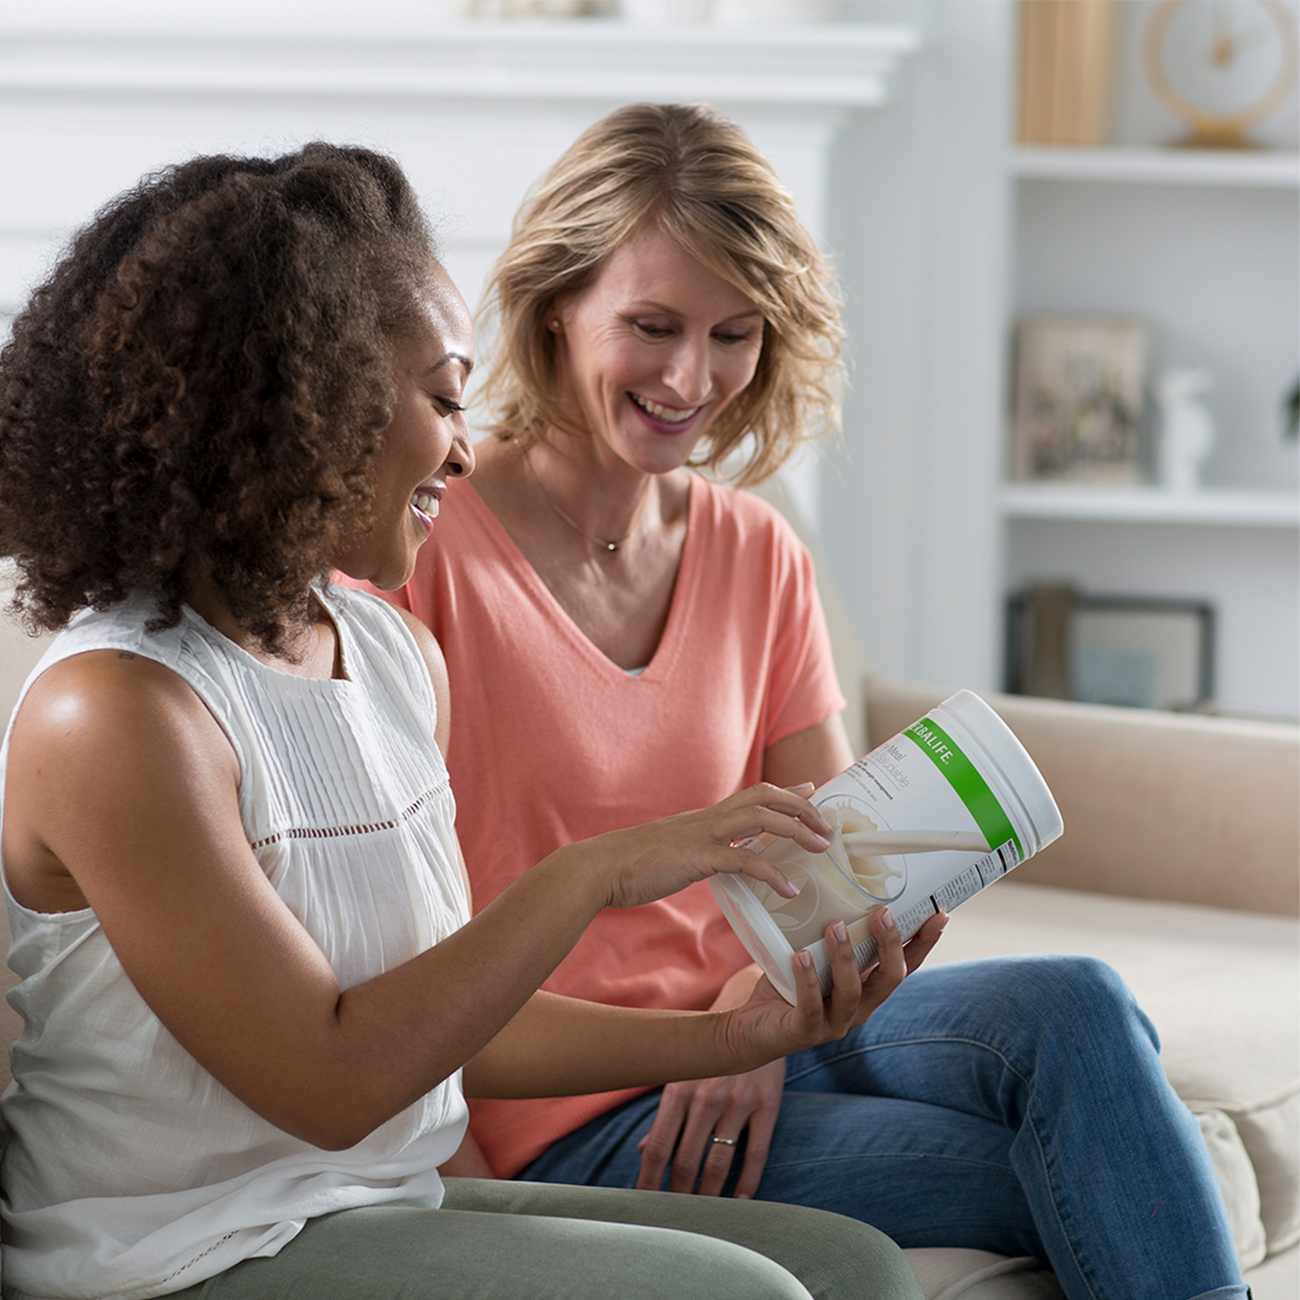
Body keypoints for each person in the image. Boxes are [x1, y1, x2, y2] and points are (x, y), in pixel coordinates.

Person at [0, 142, 938, 1300]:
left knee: (855, 1268)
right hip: (178, 1250)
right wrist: (593, 874)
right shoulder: (119, 709)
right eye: (442, 397)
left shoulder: (388, 657)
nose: (462, 443)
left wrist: (741, 1038)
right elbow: (333, 1079)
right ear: (305, 404)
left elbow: (446, 1027)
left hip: (368, 1206)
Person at [361, 104, 1249, 1300]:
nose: (691, 378)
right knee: (1092, 1168)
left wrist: (750, 1008)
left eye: (733, 334)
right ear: (556, 303)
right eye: (652, 325)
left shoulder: (757, 550)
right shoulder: (424, 550)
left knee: (1078, 1003)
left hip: (772, 1030)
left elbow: (836, 867)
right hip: (571, 1108)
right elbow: (387, 941)